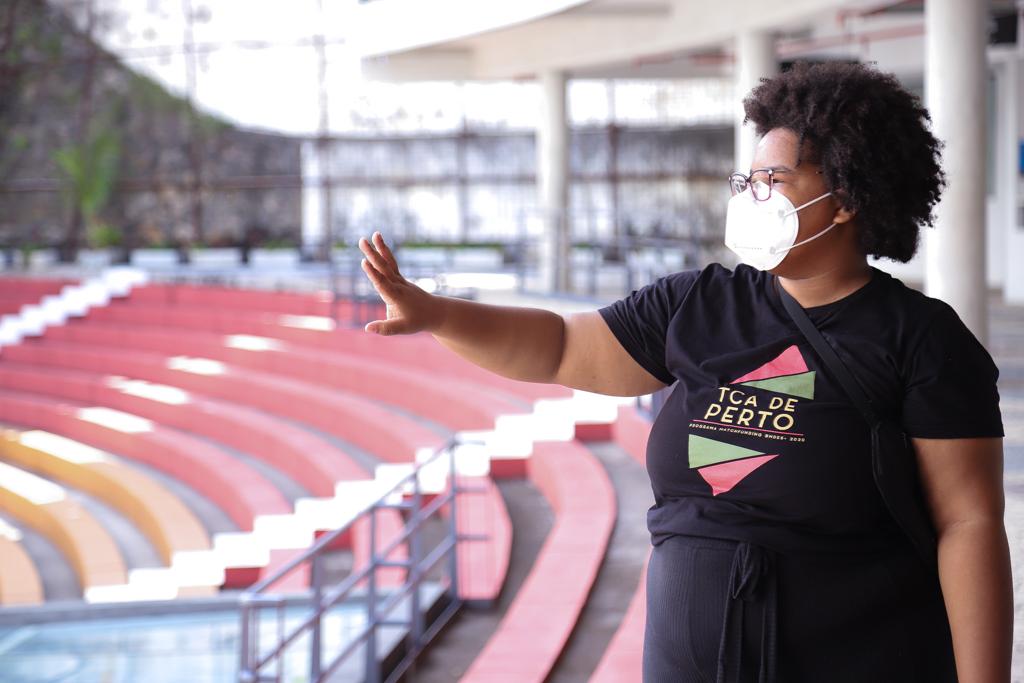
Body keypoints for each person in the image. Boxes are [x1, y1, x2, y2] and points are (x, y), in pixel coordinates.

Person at [357, 62, 1013, 683]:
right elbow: (557, 347)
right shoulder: (696, 305)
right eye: (747, 180)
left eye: (774, 180)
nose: (751, 196)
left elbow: (970, 526)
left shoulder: (922, 341)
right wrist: (438, 314)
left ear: (845, 199)